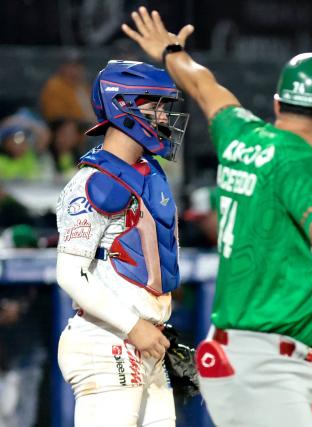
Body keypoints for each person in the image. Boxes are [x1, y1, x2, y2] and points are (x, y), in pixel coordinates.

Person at [122, 7, 312, 427]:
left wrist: (170, 51)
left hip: (234, 355)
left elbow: (204, 87)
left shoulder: (241, 135)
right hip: (267, 364)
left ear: (278, 103)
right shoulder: (305, 164)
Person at [55, 59, 190, 426]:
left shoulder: (150, 172)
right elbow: (70, 274)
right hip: (106, 339)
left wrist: (154, 328)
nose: (164, 117)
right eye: (156, 105)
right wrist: (135, 326)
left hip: (147, 340)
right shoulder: (93, 182)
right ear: (124, 106)